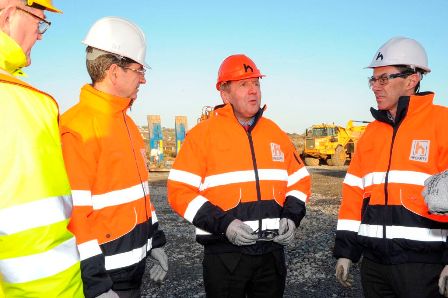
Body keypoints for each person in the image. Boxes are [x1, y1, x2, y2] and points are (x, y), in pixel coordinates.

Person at [167, 54, 311, 297]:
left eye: (256, 83)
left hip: (271, 254)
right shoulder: (202, 136)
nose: (253, 91)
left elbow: (300, 180)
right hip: (225, 257)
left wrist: (291, 216)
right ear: (225, 94)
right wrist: (225, 225)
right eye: (244, 84)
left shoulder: (275, 133)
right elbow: (179, 192)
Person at [60, 17, 168, 298]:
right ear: (113, 71)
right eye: (138, 69)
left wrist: (154, 242)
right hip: (107, 280)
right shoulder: (78, 128)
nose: (143, 78)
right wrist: (96, 285)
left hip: (133, 271)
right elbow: (74, 217)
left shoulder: (127, 124)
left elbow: (139, 194)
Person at [333, 37, 448, 298]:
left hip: (424, 266)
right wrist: (346, 252)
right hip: (374, 266)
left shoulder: (443, 123)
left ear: (412, 79)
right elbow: (353, 197)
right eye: (373, 79)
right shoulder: (371, 134)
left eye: (383, 79)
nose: (375, 86)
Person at [0, 0, 84, 297]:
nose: (40, 34)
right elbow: (38, 243)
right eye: (39, 22)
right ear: (10, 16)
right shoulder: (20, 103)